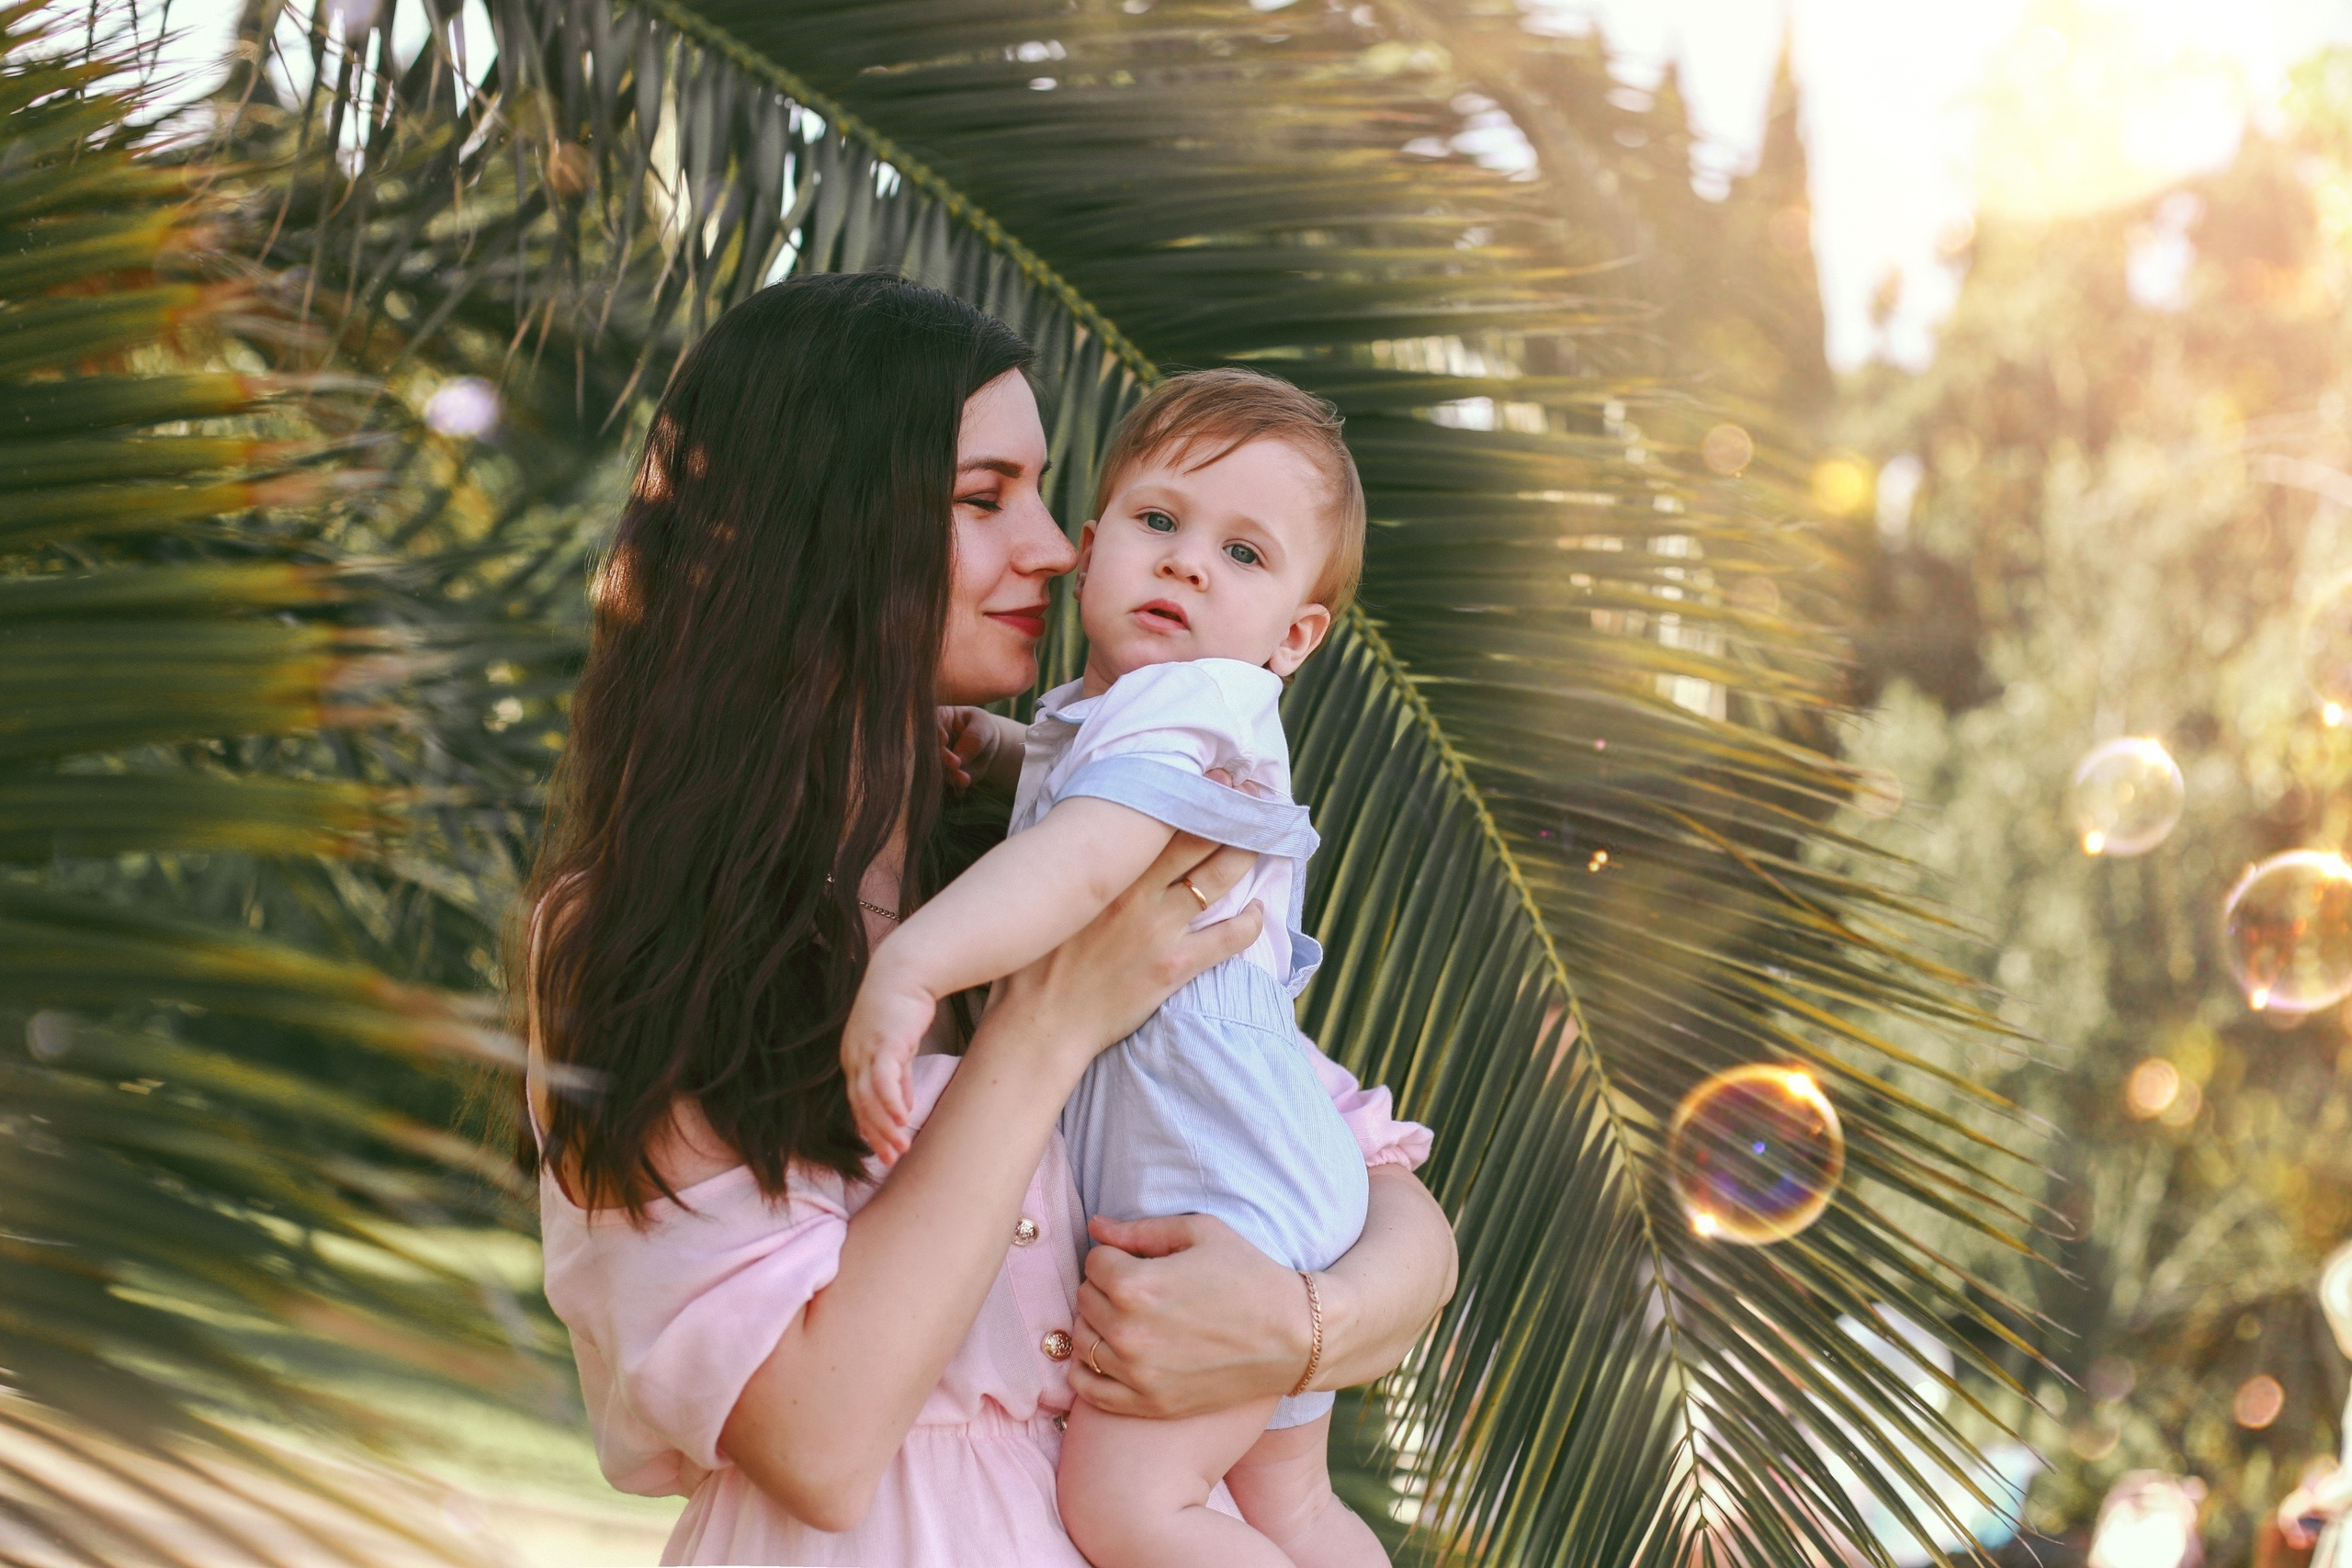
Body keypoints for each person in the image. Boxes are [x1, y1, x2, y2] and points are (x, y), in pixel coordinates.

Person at [517, 272, 1456, 1567]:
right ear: (823, 528)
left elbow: (1366, 1176)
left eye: (1041, 492)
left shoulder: (1040, 863)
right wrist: (1046, 1025)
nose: (1062, 549)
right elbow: (818, 1440)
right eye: (983, 498)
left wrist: (1306, 1322)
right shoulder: (642, 934)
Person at [842, 368, 1383, 1567]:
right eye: (1159, 523)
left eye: (1245, 555)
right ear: (1091, 554)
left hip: (1219, 1200)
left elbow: (1085, 862)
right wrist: (990, 744)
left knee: (1130, 1512)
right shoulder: (1119, 714)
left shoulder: (1204, 704)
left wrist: (914, 966)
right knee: (1289, 1510)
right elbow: (1073, 776)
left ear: (1295, 637)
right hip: (1258, 1176)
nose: (1189, 563)